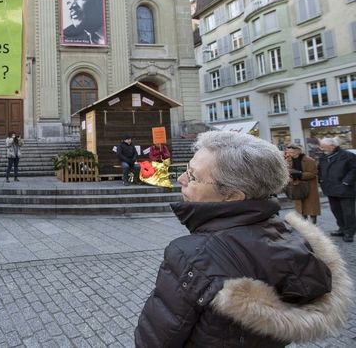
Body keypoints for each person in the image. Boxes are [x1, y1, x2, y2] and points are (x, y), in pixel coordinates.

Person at [135, 131, 351, 347]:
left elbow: (154, 340)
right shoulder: (292, 238)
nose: (180, 179)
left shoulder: (192, 256)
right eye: (186, 170)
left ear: (233, 196)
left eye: (192, 176)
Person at [318, 137, 356, 242]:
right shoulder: (323, 157)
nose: (322, 149)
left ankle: (349, 233)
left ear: (332, 146)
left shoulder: (347, 155)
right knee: (336, 211)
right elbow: (320, 170)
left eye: (324, 147)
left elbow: (354, 169)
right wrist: (321, 180)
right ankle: (342, 229)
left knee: (348, 212)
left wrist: (346, 181)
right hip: (330, 188)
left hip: (345, 189)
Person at [285, 143, 320, 224]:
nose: (290, 154)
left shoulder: (309, 160)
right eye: (289, 152)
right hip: (296, 186)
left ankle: (313, 225)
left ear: (298, 151)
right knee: (301, 208)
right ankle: (304, 225)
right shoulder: (288, 160)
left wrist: (300, 174)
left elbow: (313, 173)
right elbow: (286, 172)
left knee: (312, 208)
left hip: (309, 187)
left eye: (292, 152)